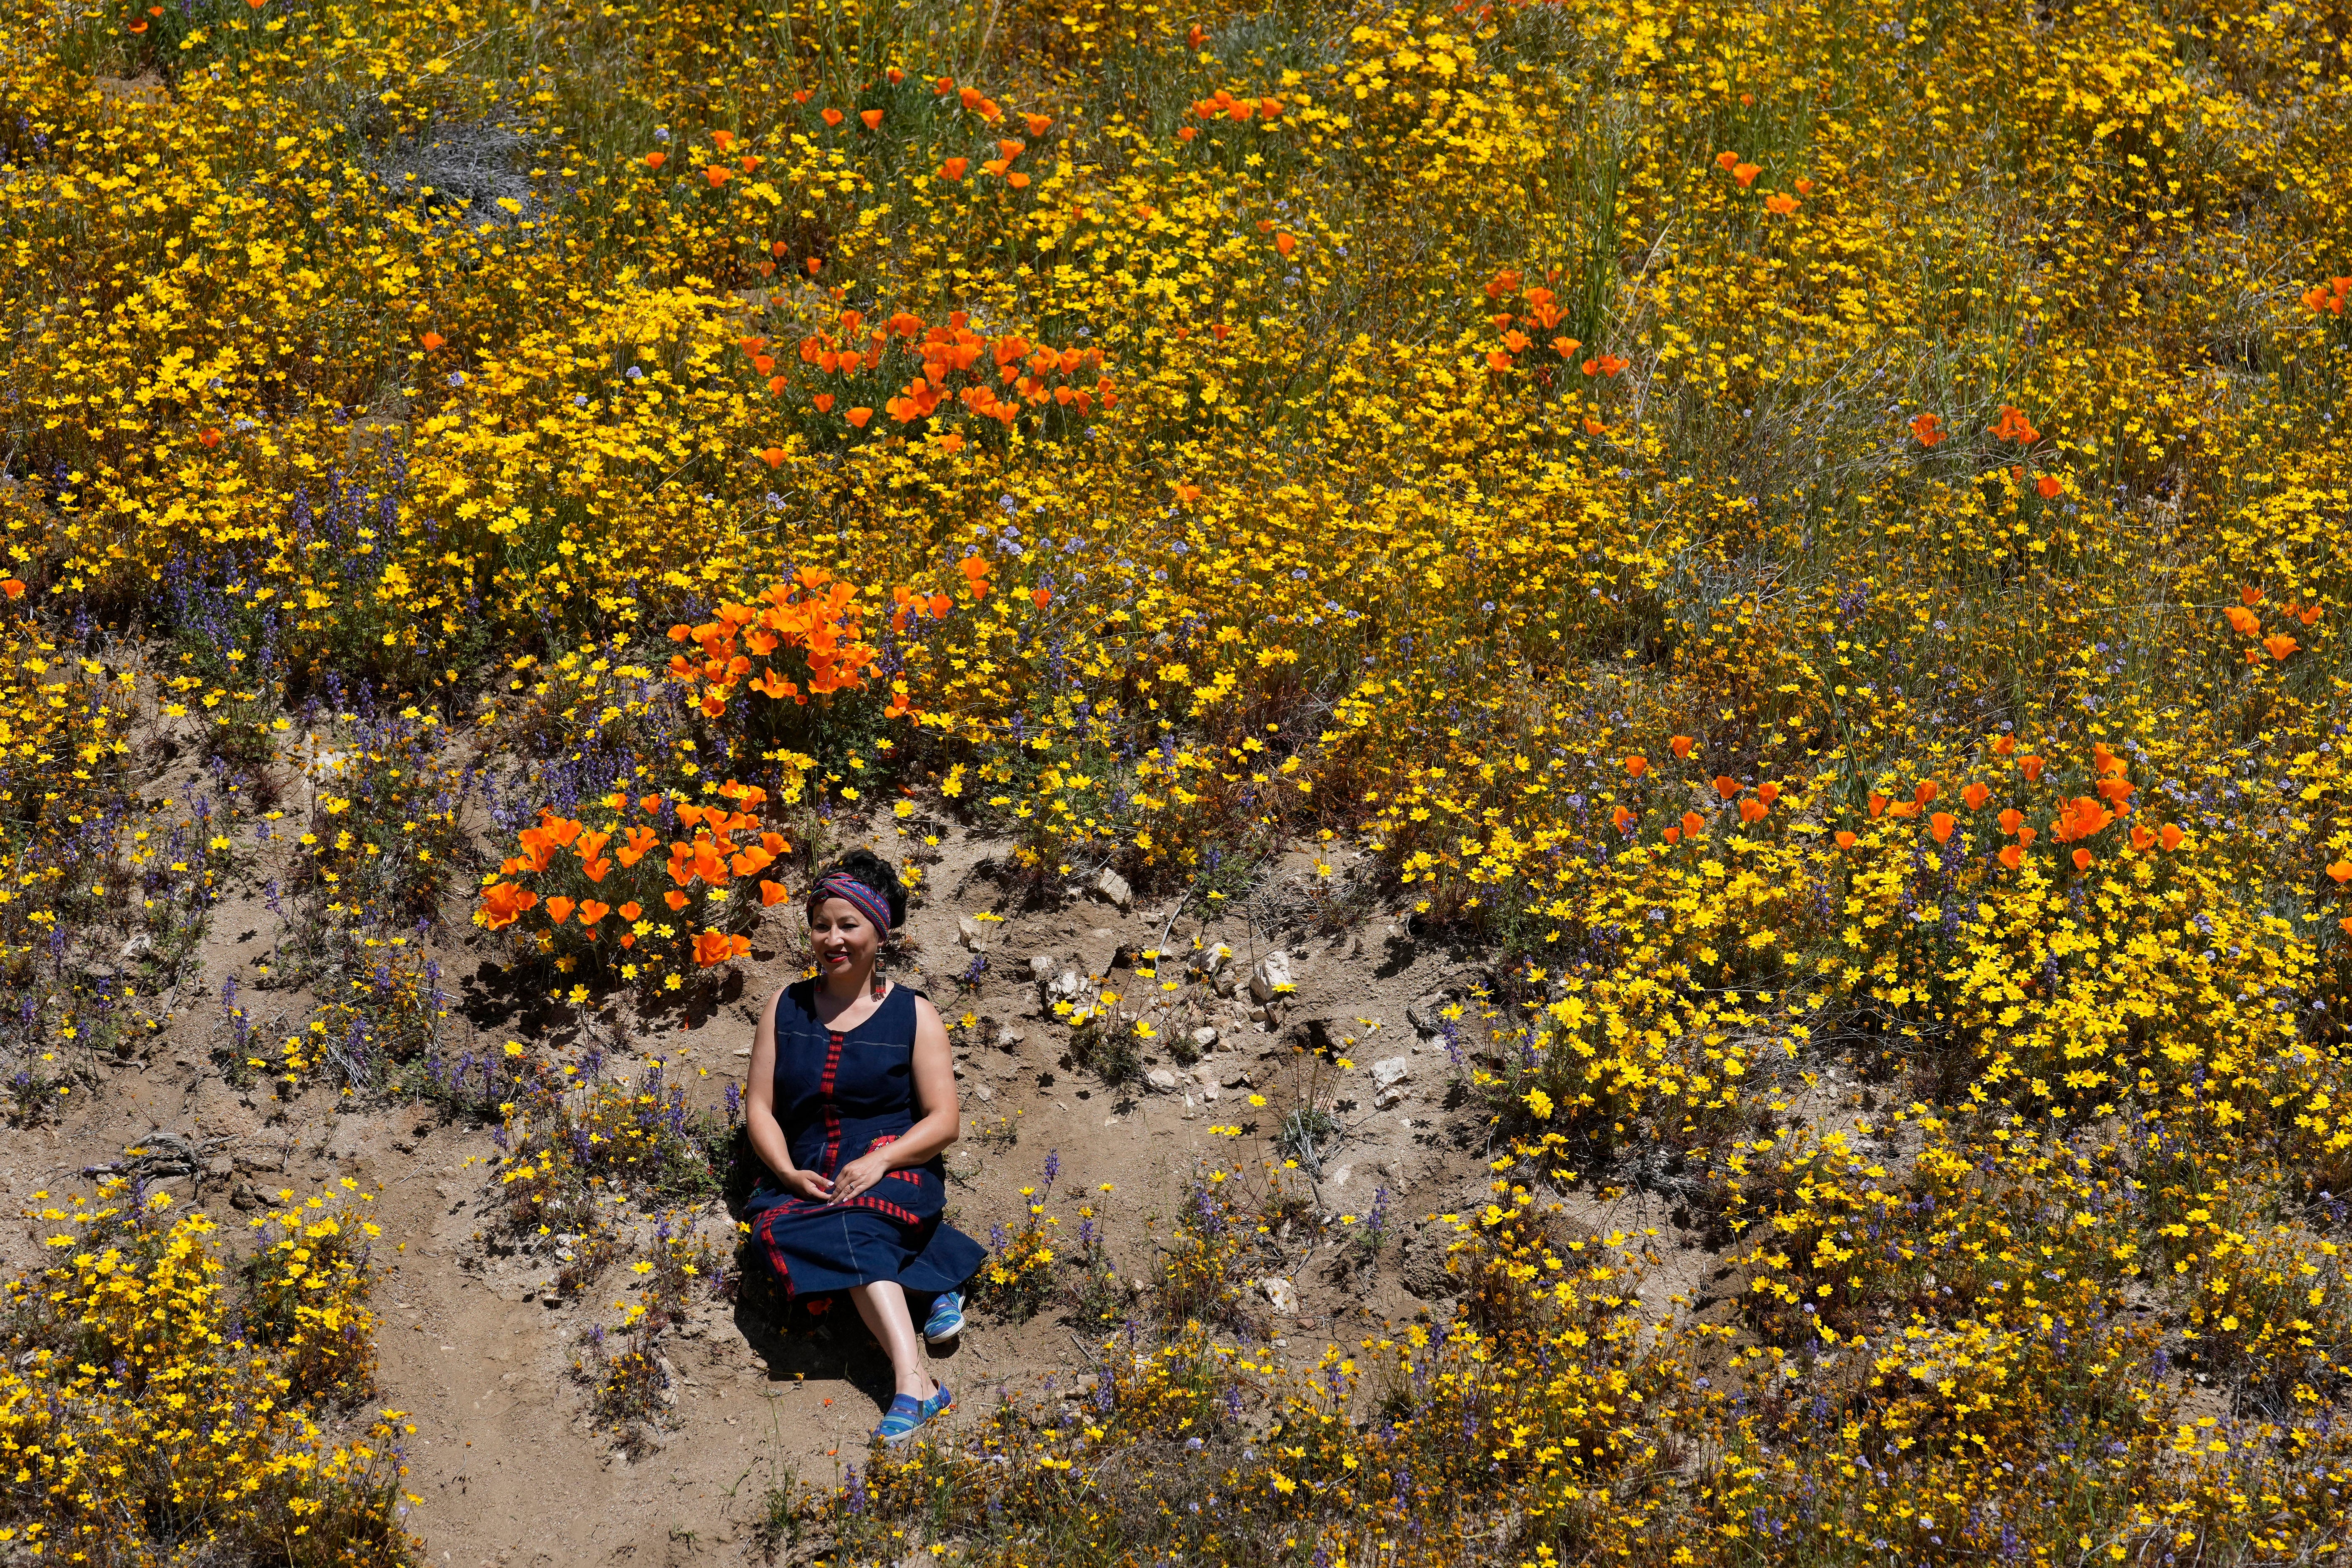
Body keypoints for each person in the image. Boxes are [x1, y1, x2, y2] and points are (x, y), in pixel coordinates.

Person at [741, 848, 985, 1446]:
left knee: (852, 1224)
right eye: (822, 925)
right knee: (782, 1224)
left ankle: (915, 1385)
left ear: (881, 931)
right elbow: (760, 1109)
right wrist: (786, 1172)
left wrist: (881, 1159)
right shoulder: (785, 1005)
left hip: (894, 1167)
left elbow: (943, 1122)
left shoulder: (915, 1015)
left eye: (849, 925)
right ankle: (932, 1276)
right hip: (810, 1174)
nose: (833, 939)